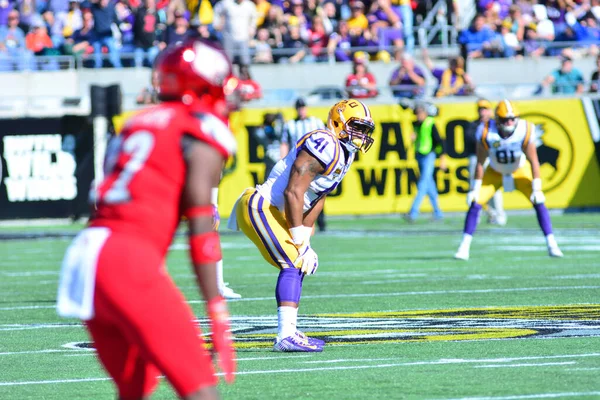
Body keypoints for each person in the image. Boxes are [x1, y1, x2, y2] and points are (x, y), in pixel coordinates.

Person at [56, 38, 238, 399]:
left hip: (85, 257)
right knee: (201, 389)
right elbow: (202, 226)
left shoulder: (135, 124)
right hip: (125, 259)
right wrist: (217, 310)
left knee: (135, 388)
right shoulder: (198, 129)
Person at [227, 99, 376, 352]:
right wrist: (299, 243)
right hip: (259, 205)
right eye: (357, 127)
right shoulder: (325, 143)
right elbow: (293, 192)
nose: (361, 135)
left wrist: (305, 239)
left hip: (275, 211)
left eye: (364, 130)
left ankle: (290, 331)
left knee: (299, 263)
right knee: (294, 260)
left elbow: (317, 198)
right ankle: (285, 336)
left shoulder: (344, 153)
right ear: (338, 122)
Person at [454, 99, 564, 261]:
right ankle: (464, 247)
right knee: (475, 202)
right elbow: (480, 162)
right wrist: (475, 188)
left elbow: (534, 161)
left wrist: (537, 187)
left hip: (519, 169)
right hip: (495, 171)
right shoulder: (485, 131)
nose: (510, 122)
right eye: (505, 119)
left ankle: (552, 244)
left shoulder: (525, 129)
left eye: (513, 118)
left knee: (539, 202)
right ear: (497, 119)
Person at [280, 97, 327, 231]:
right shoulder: (289, 125)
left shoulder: (316, 122)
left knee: (318, 192)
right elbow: (285, 143)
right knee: (296, 192)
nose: (301, 110)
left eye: (303, 107)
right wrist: (282, 160)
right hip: (298, 163)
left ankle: (321, 223)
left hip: (315, 162)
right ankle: (295, 225)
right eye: (299, 108)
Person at [404, 102, 447, 222]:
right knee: (430, 185)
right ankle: (438, 212)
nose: (418, 115)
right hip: (419, 155)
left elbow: (441, 142)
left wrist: (442, 159)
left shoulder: (430, 123)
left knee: (422, 184)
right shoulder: (416, 125)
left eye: (420, 113)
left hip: (429, 155)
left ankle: (413, 212)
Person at [466, 99, 506, 226]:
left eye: (485, 109)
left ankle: (499, 214)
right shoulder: (474, 125)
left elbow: (500, 141)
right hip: (477, 159)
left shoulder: (495, 125)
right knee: (475, 187)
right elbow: (472, 141)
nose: (483, 112)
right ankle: (478, 214)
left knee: (495, 188)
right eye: (480, 110)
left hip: (492, 158)